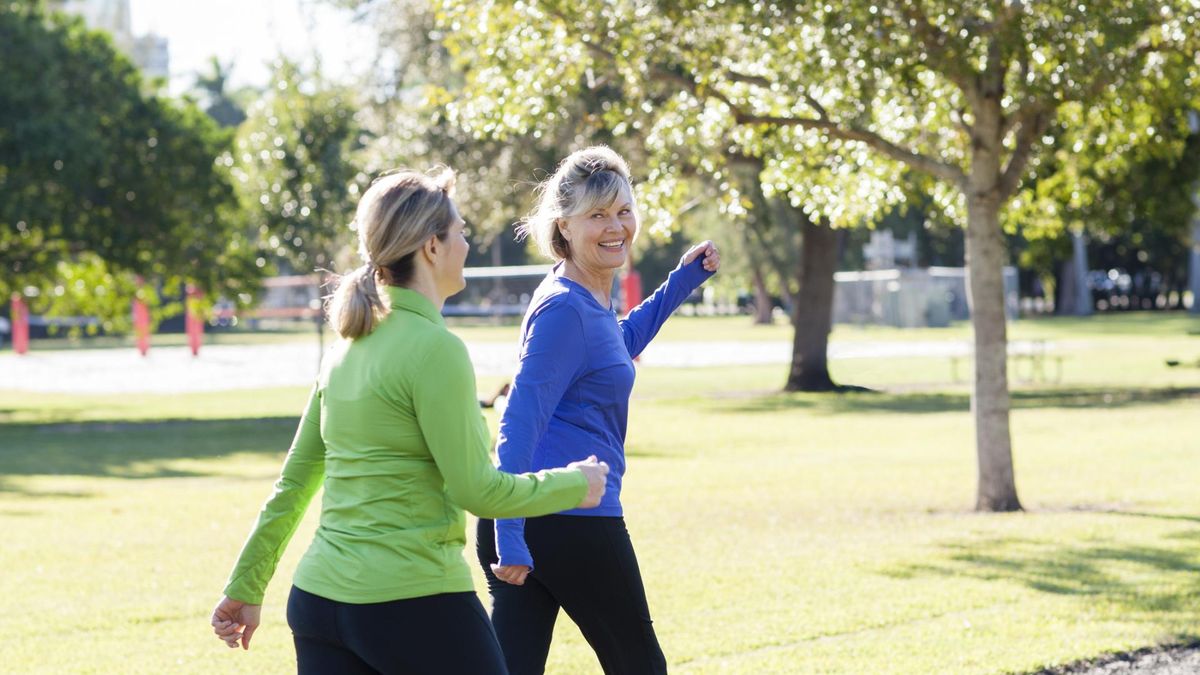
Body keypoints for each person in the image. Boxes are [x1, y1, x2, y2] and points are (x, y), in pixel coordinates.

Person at [210, 168, 610, 675]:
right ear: (431, 247)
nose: (467, 243)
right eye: (461, 232)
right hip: (412, 601)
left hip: (319, 603)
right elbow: (477, 491)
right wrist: (574, 483)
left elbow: (293, 483)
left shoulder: (344, 350)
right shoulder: (437, 351)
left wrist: (246, 586)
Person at [476, 146, 720, 674]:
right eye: (597, 215)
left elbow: (615, 341)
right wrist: (510, 533)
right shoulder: (566, 307)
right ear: (563, 225)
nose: (616, 227)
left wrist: (681, 282)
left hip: (538, 516)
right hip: (566, 517)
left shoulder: (583, 296)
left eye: (623, 211)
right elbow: (519, 416)